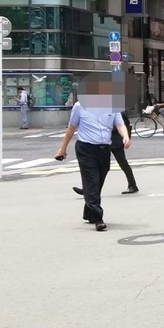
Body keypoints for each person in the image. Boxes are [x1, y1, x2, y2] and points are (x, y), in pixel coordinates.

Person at [55, 95, 130, 232]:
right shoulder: (79, 106)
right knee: (92, 181)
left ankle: (88, 212)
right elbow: (72, 128)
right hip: (86, 148)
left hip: (104, 149)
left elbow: (119, 124)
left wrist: (125, 136)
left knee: (98, 180)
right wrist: (63, 149)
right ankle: (98, 218)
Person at [73, 108, 138, 197]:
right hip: (102, 142)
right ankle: (88, 189)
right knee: (92, 167)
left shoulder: (117, 111)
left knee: (122, 163)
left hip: (115, 141)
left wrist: (126, 138)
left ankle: (132, 184)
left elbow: (125, 125)